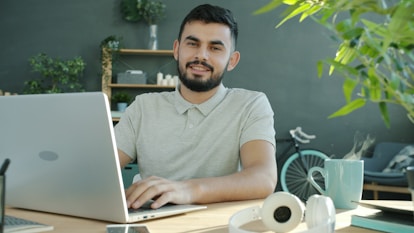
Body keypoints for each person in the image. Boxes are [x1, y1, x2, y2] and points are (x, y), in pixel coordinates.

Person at [114, 4, 277, 210]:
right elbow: (101, 169)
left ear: (232, 60)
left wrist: (188, 190)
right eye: (192, 44)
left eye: (215, 48)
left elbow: (263, 178)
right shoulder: (143, 106)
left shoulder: (251, 105)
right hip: (151, 222)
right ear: (176, 49)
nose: (202, 56)